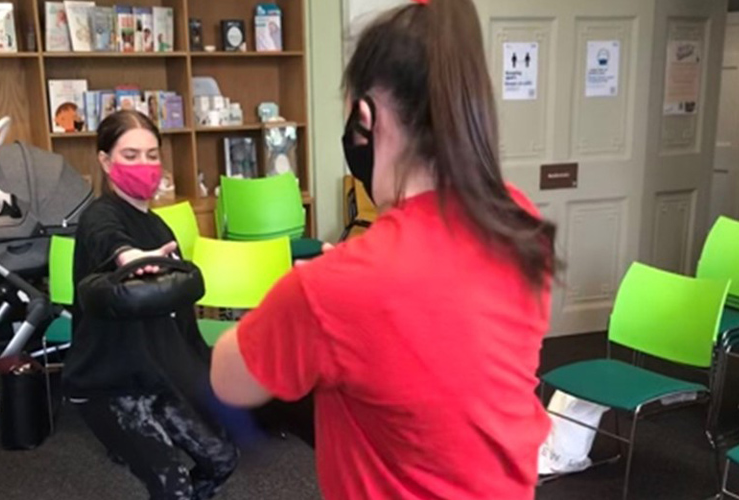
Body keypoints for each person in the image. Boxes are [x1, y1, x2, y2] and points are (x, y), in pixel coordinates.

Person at [209, 0, 557, 499]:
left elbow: (229, 379)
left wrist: (313, 294)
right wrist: (345, 285)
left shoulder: (337, 288)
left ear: (366, 117)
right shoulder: (521, 223)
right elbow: (440, 336)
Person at [64, 110, 238, 500]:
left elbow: (181, 324)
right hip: (108, 385)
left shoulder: (160, 229)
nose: (144, 165)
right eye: (130, 155)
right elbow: (107, 238)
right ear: (105, 161)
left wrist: (210, 380)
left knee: (222, 460)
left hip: (155, 377)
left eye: (151, 154)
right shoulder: (99, 216)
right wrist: (129, 257)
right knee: (172, 485)